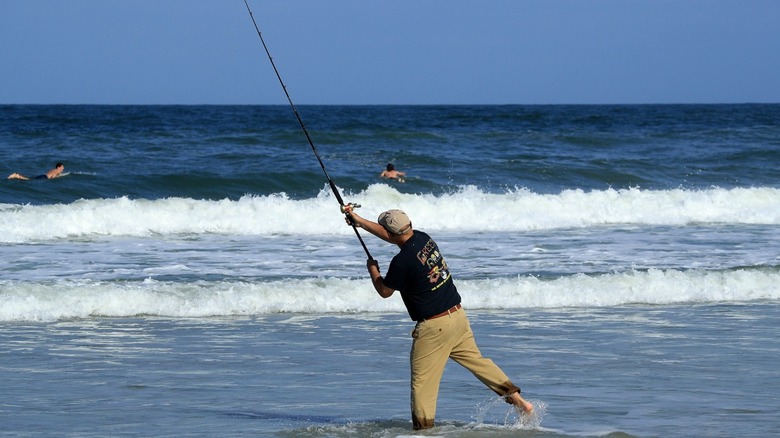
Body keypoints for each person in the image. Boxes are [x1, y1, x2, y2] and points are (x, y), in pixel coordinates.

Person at [342, 206, 534, 430]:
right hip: (457, 316)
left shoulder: (401, 262)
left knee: (422, 384)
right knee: (480, 363)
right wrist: (359, 221)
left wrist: (373, 270)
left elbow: (385, 292)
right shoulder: (423, 238)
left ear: (394, 234)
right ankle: (520, 401)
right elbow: (392, 236)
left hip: (435, 328)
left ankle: (423, 432)